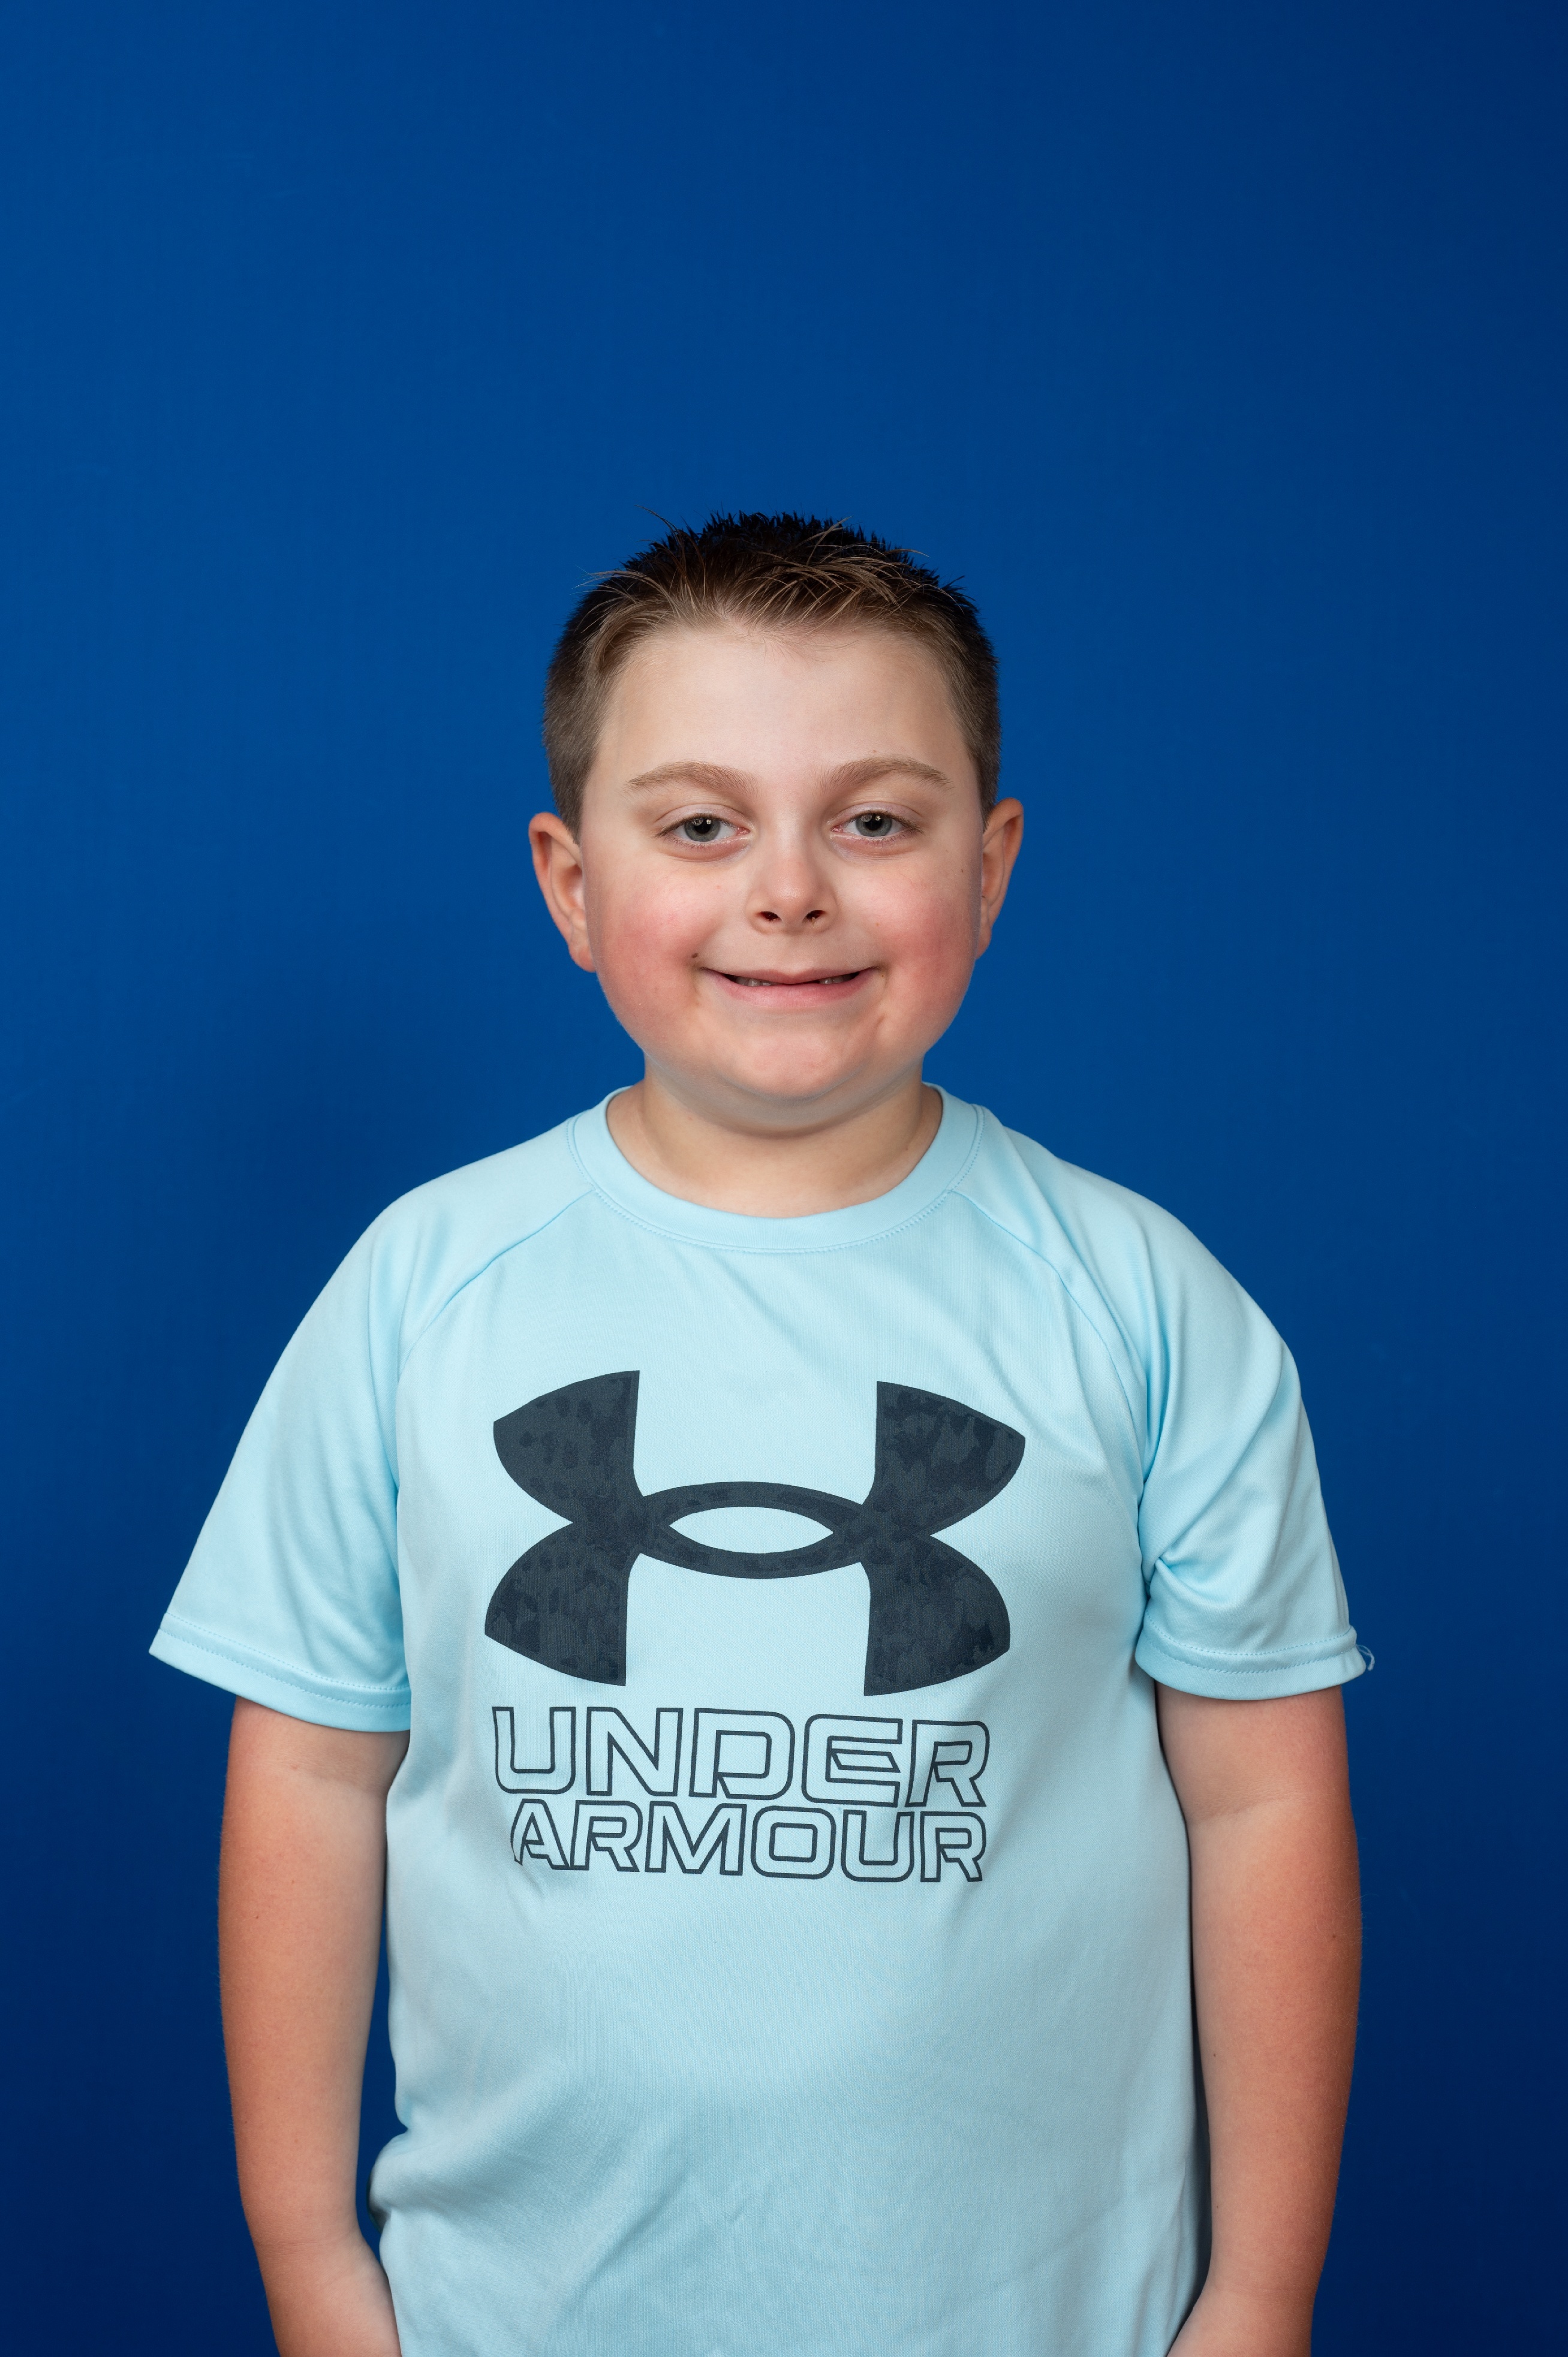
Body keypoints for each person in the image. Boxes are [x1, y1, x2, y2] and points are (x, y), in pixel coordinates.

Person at [152, 513, 1364, 2357]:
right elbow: (312, 1780)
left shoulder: (1143, 1303)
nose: (789, 890)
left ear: (993, 863)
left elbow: (1264, 1803)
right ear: (570, 882)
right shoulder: (423, 1290)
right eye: (702, 824)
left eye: (872, 820)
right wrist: (314, 2268)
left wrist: (1261, 2297)